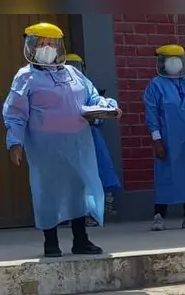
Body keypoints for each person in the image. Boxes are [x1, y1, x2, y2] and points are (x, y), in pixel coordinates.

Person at [3, 22, 118, 258]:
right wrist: (15, 142)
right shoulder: (26, 76)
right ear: (31, 46)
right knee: (48, 190)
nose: (48, 48)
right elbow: (15, 112)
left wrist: (107, 108)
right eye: (42, 43)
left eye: (52, 44)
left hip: (78, 143)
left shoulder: (72, 73)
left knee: (78, 188)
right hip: (45, 146)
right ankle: (51, 242)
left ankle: (81, 239)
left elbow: (93, 96)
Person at [143, 44, 185, 231]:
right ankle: (159, 216)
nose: (175, 64)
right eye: (170, 60)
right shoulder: (155, 85)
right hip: (168, 139)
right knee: (166, 175)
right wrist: (156, 140)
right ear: (161, 63)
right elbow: (151, 113)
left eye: (178, 59)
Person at [64, 53, 121, 227]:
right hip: (65, 140)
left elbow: (99, 105)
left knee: (95, 173)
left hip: (90, 138)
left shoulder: (86, 87)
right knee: (71, 178)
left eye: (78, 65)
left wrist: (100, 114)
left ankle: (94, 211)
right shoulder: (56, 89)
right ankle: (71, 215)